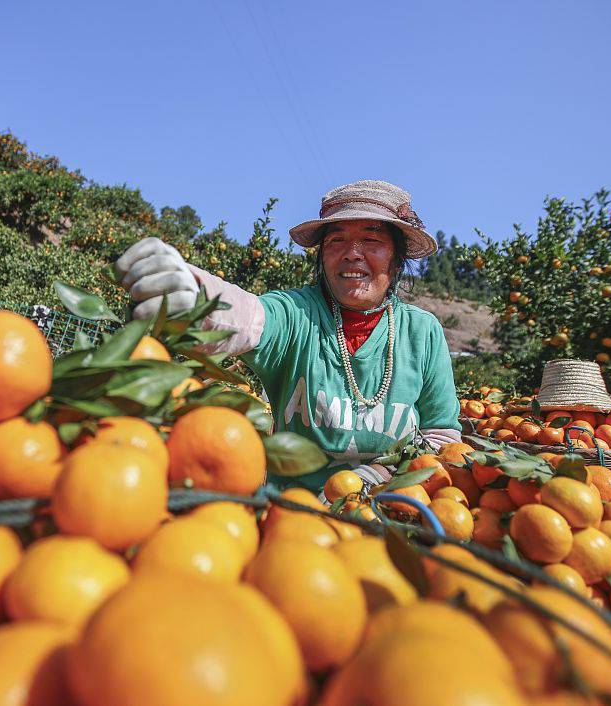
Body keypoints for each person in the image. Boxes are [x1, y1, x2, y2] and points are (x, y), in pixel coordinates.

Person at [115, 180, 462, 495]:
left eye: (371, 240)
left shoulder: (422, 332)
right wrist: (198, 300)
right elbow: (251, 319)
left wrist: (378, 479)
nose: (352, 252)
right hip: (294, 521)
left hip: (395, 515)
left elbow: (441, 436)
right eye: (337, 240)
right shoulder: (298, 314)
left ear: (397, 258)